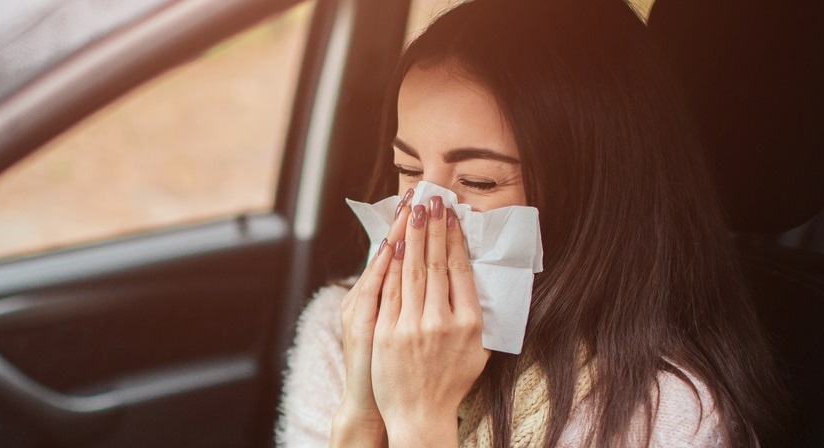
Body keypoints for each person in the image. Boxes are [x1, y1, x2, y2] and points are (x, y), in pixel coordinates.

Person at [276, 0, 787, 447]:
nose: (419, 213)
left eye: (478, 181)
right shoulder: (340, 329)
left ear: (591, 198)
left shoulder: (662, 408)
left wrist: (418, 420)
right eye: (409, 169)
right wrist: (362, 415)